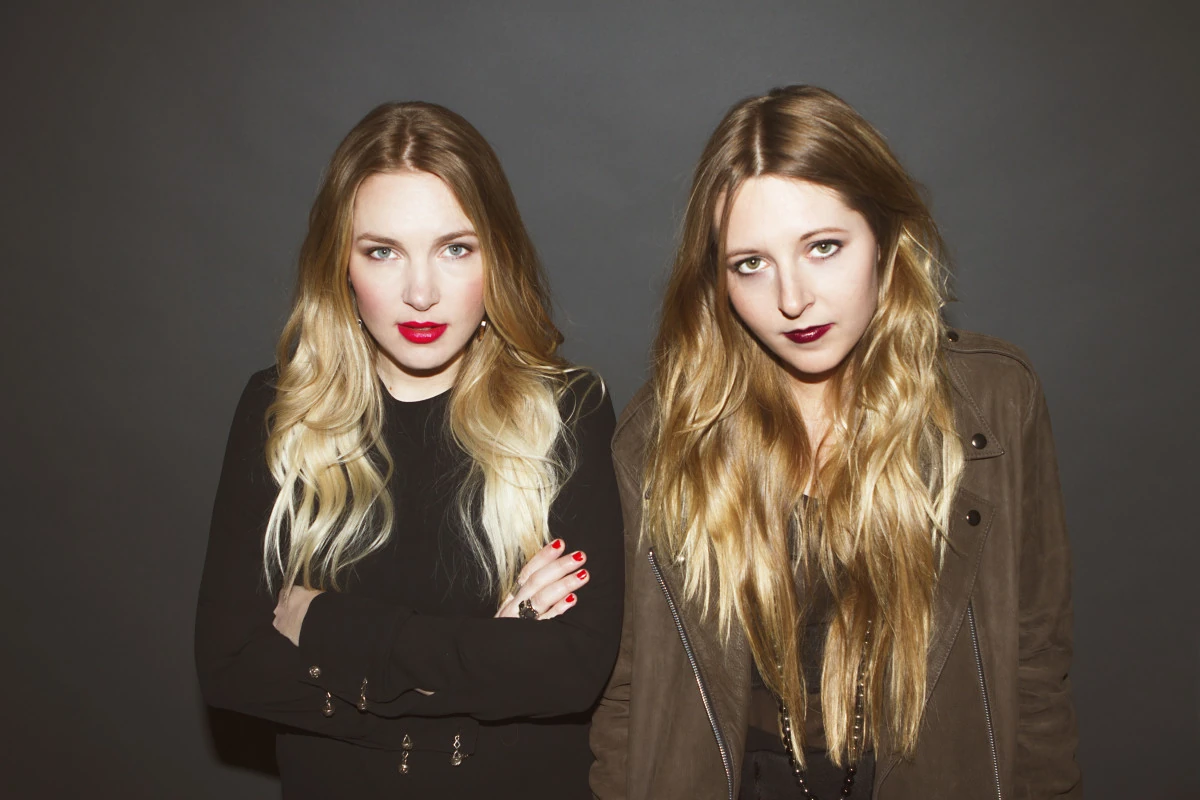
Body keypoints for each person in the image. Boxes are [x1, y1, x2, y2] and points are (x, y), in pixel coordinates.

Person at [590, 86, 1080, 799]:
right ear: (716, 278)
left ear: (884, 237)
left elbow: (1035, 664)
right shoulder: (664, 436)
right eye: (750, 264)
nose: (793, 299)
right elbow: (630, 694)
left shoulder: (994, 402)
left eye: (823, 247)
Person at [195, 101, 623, 799]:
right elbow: (231, 668)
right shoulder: (280, 409)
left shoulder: (568, 411)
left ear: (497, 255)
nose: (420, 293)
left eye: (456, 248)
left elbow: (571, 672)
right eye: (382, 251)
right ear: (341, 264)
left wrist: (324, 623)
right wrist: (486, 654)